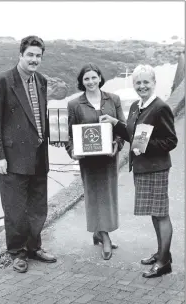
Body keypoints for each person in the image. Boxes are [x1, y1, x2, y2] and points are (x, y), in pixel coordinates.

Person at [0, 36, 57, 273]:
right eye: (30, 55)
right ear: (21, 55)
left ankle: (34, 247)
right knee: (15, 209)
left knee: (38, 207)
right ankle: (17, 252)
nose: (34, 59)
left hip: (38, 157)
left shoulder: (42, 81)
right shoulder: (2, 82)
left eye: (38, 56)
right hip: (12, 159)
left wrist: (56, 133)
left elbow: (41, 119)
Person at [100, 64, 178, 277]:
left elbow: (171, 140)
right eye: (138, 82)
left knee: (161, 214)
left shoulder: (160, 107)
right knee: (155, 213)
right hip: (142, 168)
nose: (142, 86)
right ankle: (163, 253)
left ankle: (163, 262)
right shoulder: (136, 106)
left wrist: (145, 147)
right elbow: (131, 134)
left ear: (154, 83)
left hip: (156, 167)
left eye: (146, 82)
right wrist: (115, 122)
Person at [65, 63, 126, 260]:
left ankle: (100, 232)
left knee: (107, 195)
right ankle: (104, 236)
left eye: (93, 77)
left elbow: (122, 128)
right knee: (93, 195)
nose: (91, 82)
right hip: (88, 160)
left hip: (109, 158)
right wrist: (72, 151)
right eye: (86, 79)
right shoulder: (74, 104)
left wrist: (117, 144)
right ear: (81, 82)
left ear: (100, 77)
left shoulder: (113, 99)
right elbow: (69, 134)